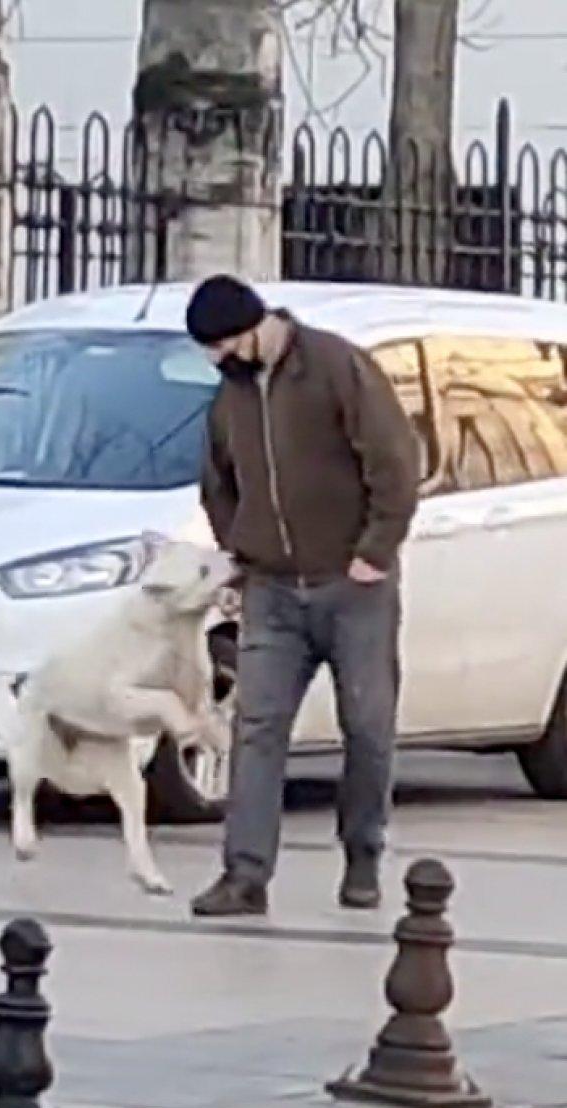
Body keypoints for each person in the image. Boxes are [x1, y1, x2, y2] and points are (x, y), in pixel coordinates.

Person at [185, 275, 419, 917]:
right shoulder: (229, 397)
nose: (220, 360)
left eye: (226, 345)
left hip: (353, 586)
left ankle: (364, 855)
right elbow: (217, 480)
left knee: (368, 725)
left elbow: (395, 461)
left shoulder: (336, 366)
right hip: (273, 590)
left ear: (256, 328)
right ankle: (245, 874)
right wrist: (239, 547)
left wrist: (375, 551)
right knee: (256, 729)